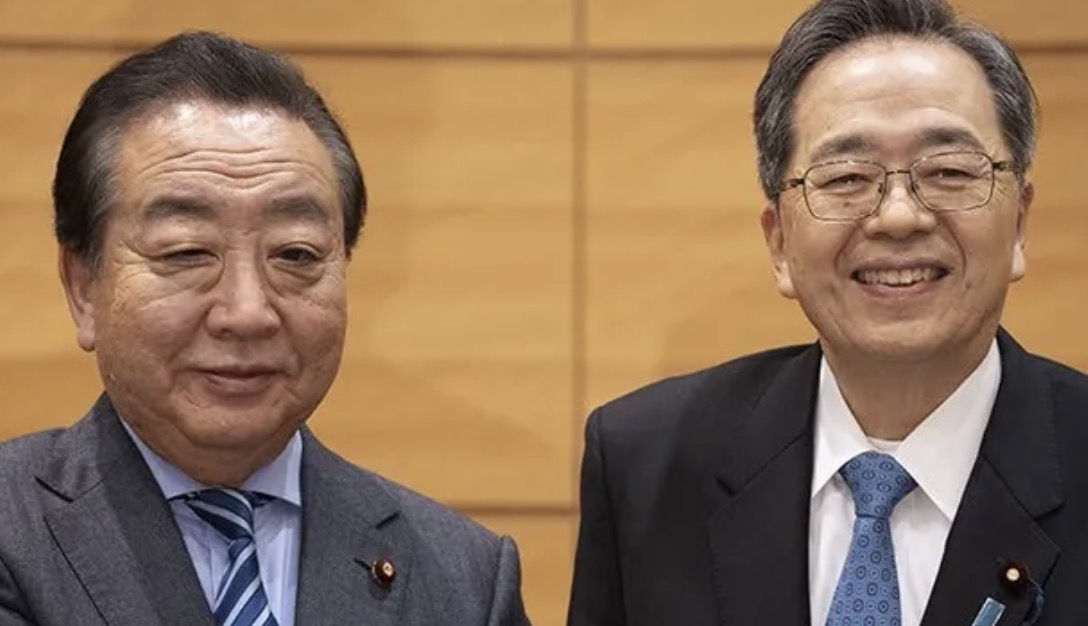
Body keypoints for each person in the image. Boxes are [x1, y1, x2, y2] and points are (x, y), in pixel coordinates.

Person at [567, 0, 1088, 624]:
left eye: (950, 171)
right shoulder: (647, 469)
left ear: (1020, 224)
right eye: (845, 178)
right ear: (779, 243)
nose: (899, 216)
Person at [0, 31, 531, 626]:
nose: (248, 312)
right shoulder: (12, 531)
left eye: (296, 254)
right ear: (83, 287)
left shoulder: (465, 580)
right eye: (187, 252)